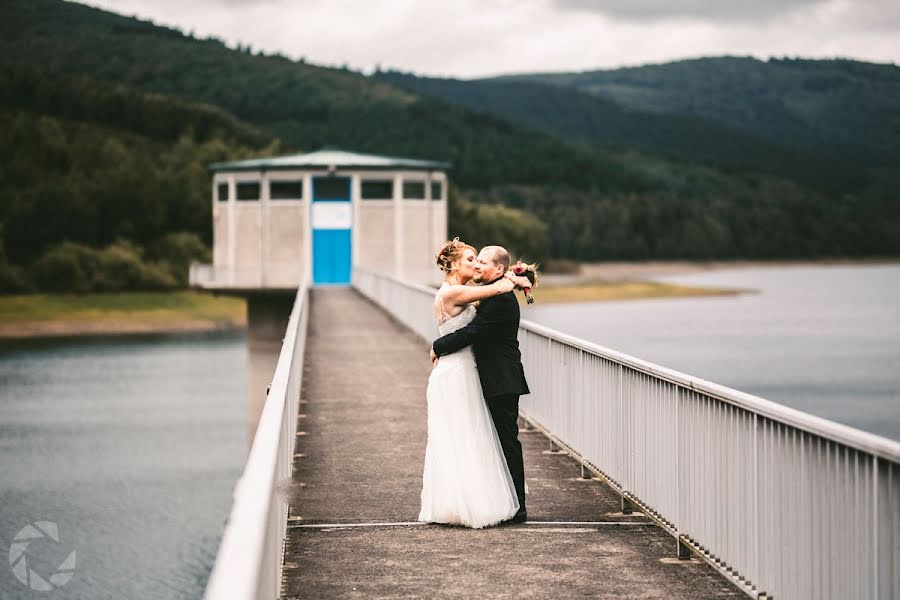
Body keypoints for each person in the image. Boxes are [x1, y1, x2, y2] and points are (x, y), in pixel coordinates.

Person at [418, 238, 529, 528]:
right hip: (460, 372)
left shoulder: (489, 295)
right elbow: (488, 300)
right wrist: (511, 279)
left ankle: (514, 505)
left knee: (490, 441)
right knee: (464, 439)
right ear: (455, 264)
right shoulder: (461, 292)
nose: (475, 264)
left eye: (479, 261)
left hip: (494, 376)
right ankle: (479, 501)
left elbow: (475, 329)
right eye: (471, 260)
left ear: (496, 267)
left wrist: (438, 346)